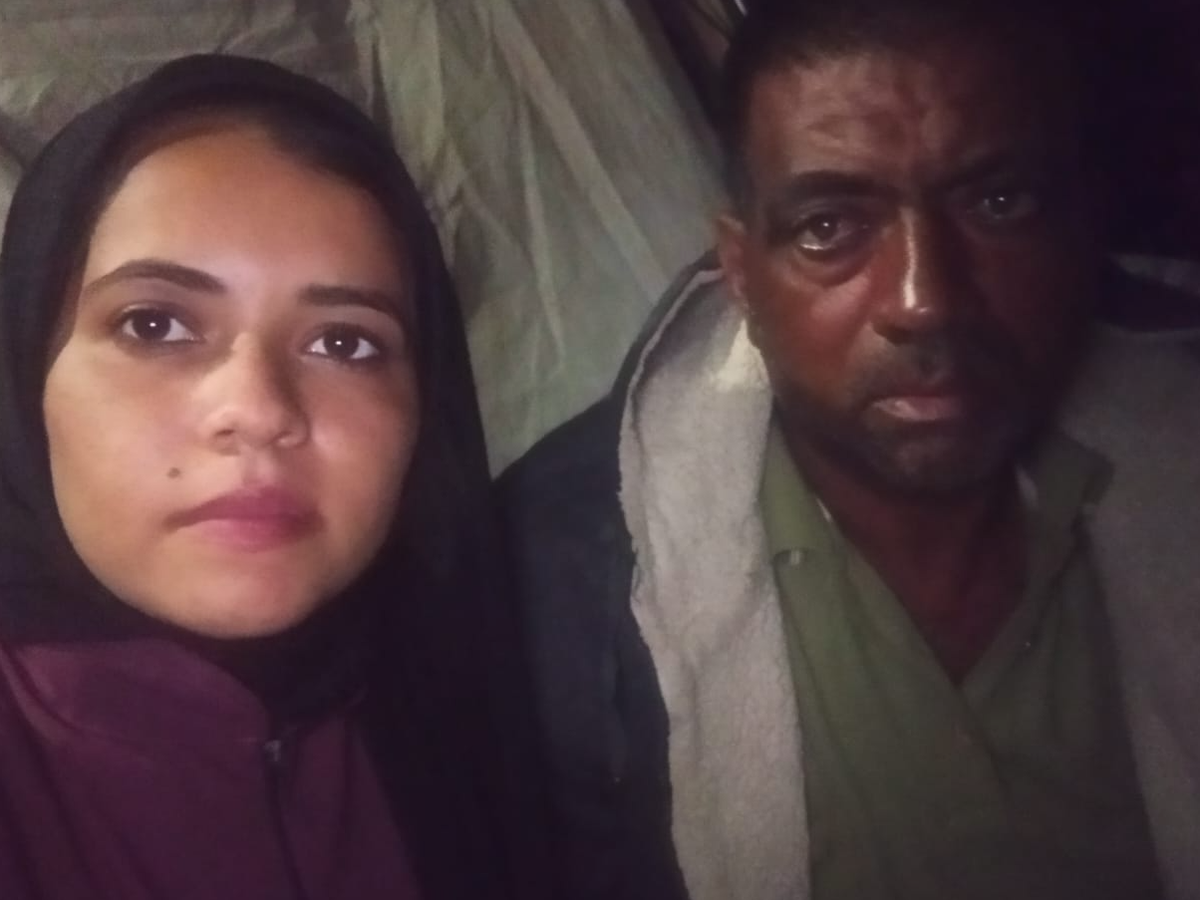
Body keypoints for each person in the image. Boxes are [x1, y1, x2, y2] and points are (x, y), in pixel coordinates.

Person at [501, 2, 1200, 899]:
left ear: (1079, 226)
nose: (925, 300)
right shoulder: (558, 580)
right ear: (741, 271)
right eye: (829, 226)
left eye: (998, 202)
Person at [0, 55, 554, 900]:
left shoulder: (468, 698)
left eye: (345, 342)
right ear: (26, 374)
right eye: (155, 324)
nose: (258, 409)